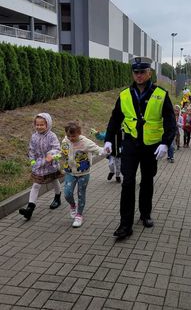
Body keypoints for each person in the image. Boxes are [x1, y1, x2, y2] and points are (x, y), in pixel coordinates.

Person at [104, 56, 176, 239]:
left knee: (147, 180)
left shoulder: (161, 94)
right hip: (131, 144)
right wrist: (109, 139)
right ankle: (125, 225)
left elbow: (170, 121)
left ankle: (145, 213)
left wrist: (165, 143)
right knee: (128, 182)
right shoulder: (125, 95)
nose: (139, 75)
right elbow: (115, 119)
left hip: (152, 146)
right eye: (136, 72)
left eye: (142, 72)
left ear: (149, 73)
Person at [61, 121, 106, 228]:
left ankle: (79, 215)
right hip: (70, 172)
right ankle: (73, 205)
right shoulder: (65, 140)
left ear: (79, 133)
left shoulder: (85, 142)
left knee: (81, 194)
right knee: (67, 193)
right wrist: (54, 156)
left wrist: (107, 150)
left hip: (83, 173)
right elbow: (62, 152)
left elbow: (98, 149)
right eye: (69, 135)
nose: (71, 138)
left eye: (73, 136)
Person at [19, 113, 62, 220]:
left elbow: (57, 148)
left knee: (54, 180)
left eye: (42, 125)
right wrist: (32, 161)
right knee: (36, 185)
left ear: (48, 124)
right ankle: (30, 208)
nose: (39, 127)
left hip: (51, 164)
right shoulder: (34, 136)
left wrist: (50, 155)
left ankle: (57, 198)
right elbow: (31, 149)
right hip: (39, 164)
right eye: (37, 125)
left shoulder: (52, 136)